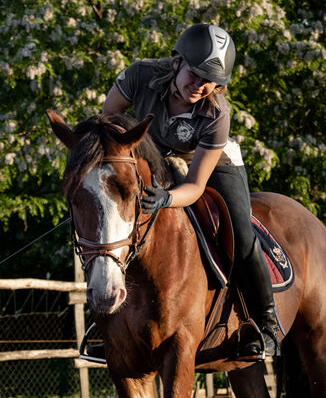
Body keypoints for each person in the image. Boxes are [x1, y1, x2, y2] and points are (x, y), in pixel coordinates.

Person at [102, 23, 279, 357]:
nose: (201, 86)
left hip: (211, 166)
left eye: (210, 81)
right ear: (176, 63)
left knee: (241, 234)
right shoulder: (139, 74)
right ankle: (113, 327)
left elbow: (196, 185)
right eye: (195, 75)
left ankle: (267, 323)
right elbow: (109, 117)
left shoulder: (217, 113)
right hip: (151, 156)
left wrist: (167, 198)